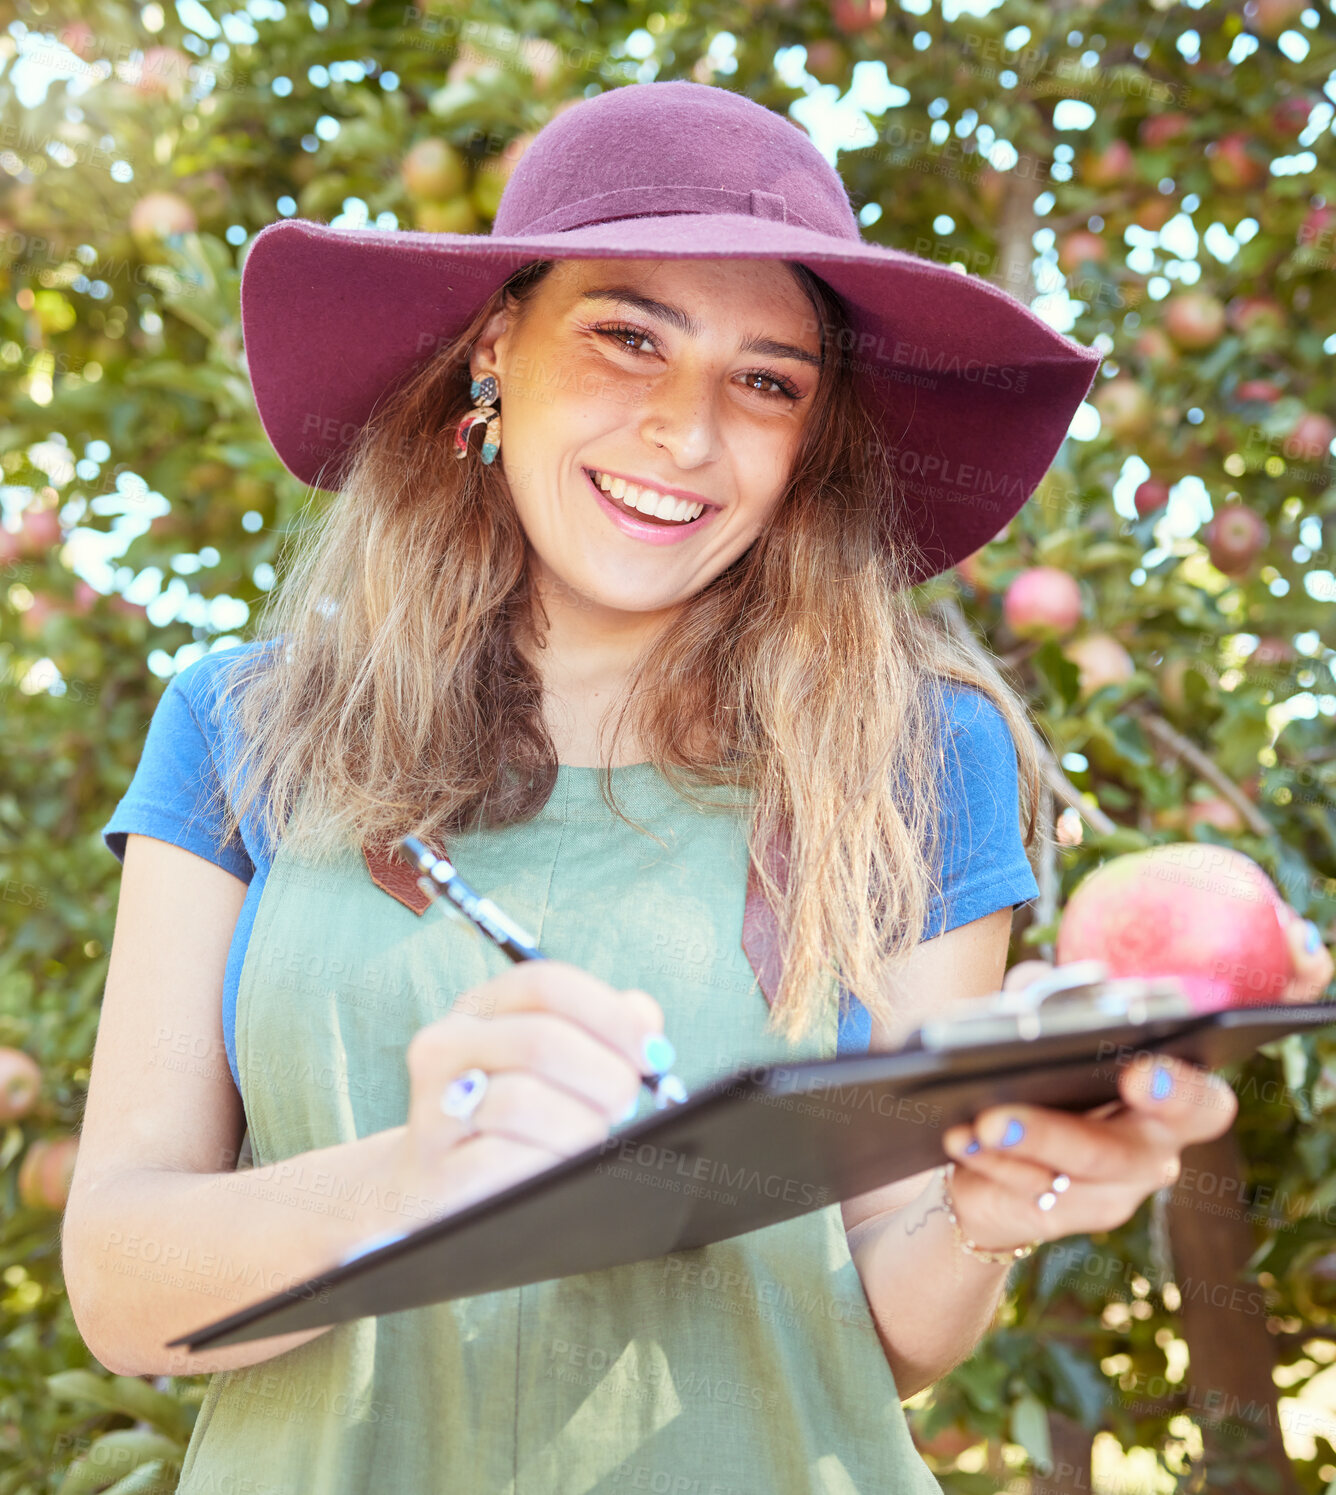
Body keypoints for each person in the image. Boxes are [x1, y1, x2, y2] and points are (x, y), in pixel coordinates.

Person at [63, 81, 1332, 1494]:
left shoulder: (916, 756)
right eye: (625, 337)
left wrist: (1007, 1198)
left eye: (767, 380)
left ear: (811, 440)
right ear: (498, 350)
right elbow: (121, 1289)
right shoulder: (246, 726)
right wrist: (413, 1179)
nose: (685, 432)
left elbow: (885, 1333)